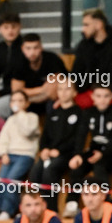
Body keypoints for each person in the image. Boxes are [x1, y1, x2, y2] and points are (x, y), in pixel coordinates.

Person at [67, 85, 112, 206]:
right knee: (77, 166)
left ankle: (106, 201)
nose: (102, 100)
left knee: (99, 166)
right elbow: (81, 135)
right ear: (92, 97)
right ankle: (72, 203)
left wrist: (103, 154)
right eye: (98, 96)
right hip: (95, 149)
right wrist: (78, 155)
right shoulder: (88, 113)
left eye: (106, 96)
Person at [28, 77, 81, 212]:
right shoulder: (53, 114)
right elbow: (45, 136)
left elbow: (77, 139)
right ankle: (35, 208)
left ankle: (51, 210)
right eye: (60, 89)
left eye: (68, 89)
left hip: (67, 154)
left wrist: (59, 151)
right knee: (35, 172)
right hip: (50, 153)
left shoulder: (79, 113)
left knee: (50, 170)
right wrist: (44, 149)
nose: (63, 92)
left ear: (74, 92)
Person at [0, 91, 40, 221]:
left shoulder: (32, 117)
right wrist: (3, 153)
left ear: (27, 103)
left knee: (12, 180)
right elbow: (3, 139)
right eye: (14, 101)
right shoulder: (10, 120)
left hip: (25, 155)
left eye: (20, 101)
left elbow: (27, 131)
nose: (16, 103)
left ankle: (7, 210)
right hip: (10, 155)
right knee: (2, 179)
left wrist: (21, 113)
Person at [70, 9, 112, 109]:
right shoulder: (84, 45)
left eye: (86, 25)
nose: (83, 29)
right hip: (87, 90)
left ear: (99, 24)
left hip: (110, 91)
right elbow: (76, 73)